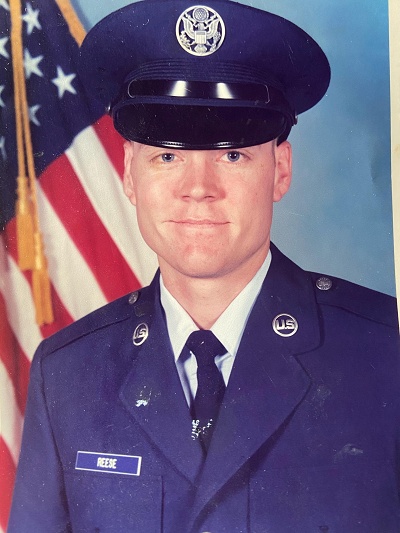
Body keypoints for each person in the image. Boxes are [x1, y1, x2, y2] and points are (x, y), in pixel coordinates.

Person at [8, 0, 400, 531]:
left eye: (232, 155)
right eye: (167, 156)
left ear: (280, 170)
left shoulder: (384, 351)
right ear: (129, 174)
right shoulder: (66, 375)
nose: (198, 189)